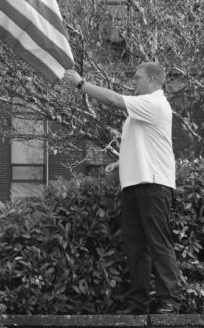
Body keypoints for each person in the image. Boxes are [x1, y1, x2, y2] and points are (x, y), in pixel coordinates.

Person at [63, 63, 180, 314]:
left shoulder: (155, 103)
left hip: (155, 184)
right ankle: (139, 301)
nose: (133, 82)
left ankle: (169, 299)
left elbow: (115, 100)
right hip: (135, 184)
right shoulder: (143, 109)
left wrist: (81, 84)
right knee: (136, 247)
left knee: (158, 243)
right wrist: (120, 161)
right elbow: (145, 144)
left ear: (151, 79)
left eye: (137, 78)